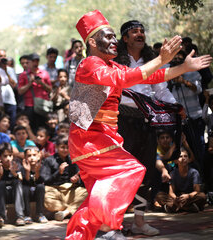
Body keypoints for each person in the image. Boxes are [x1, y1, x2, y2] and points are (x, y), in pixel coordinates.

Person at [66, 10, 211, 240]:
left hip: (101, 138)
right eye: (109, 36)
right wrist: (161, 59)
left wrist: (183, 67)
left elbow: (149, 77)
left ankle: (80, 236)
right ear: (92, 42)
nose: (114, 41)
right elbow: (124, 80)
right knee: (131, 169)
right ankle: (107, 229)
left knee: (96, 195)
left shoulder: (112, 66)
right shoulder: (90, 63)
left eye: (115, 36)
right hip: (90, 139)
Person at [114, 20, 180, 236]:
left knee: (145, 171)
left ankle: (139, 222)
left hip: (146, 121)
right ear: (125, 38)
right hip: (121, 121)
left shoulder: (154, 60)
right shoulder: (115, 61)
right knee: (122, 174)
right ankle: (116, 223)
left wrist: (175, 105)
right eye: (134, 32)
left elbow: (161, 91)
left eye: (142, 31)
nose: (140, 34)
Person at [40, 135, 87, 221]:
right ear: (56, 147)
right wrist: (59, 172)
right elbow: (45, 180)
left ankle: (65, 212)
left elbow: (78, 179)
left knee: (85, 193)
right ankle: (72, 209)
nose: (65, 150)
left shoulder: (73, 160)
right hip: (54, 189)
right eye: (62, 147)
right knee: (46, 198)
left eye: (67, 147)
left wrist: (76, 181)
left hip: (70, 190)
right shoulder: (49, 160)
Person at [155, 147, 206, 213]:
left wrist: (188, 196)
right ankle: (188, 207)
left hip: (189, 196)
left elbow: (197, 190)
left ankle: (176, 207)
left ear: (188, 159)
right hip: (178, 197)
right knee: (159, 195)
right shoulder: (173, 173)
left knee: (202, 196)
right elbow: (171, 192)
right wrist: (176, 199)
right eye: (180, 156)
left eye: (185, 156)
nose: (183, 158)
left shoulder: (194, 172)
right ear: (175, 161)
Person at [0, 142, 25, 227]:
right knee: (1, 183)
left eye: (10, 155)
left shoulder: (15, 164)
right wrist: (0, 175)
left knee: (17, 182)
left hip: (15, 193)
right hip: (2, 194)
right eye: (5, 156)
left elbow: (21, 178)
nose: (8, 158)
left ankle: (20, 216)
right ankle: (0, 216)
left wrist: (14, 173)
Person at [18, 53, 52, 131]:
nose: (35, 63)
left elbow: (50, 89)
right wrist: (30, 83)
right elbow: (20, 91)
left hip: (42, 105)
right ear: (28, 62)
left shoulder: (44, 73)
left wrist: (41, 83)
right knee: (32, 127)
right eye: (33, 61)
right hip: (29, 106)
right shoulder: (24, 75)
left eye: (37, 61)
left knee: (43, 128)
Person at [21, 146, 47, 223]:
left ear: (39, 155)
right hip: (27, 194)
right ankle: (27, 215)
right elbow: (25, 182)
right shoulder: (22, 168)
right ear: (25, 157)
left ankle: (40, 214)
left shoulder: (43, 166)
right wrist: (27, 171)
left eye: (34, 155)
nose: (32, 158)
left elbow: (41, 181)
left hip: (38, 194)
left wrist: (37, 171)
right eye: (29, 156)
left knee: (40, 186)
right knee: (25, 188)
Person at [0, 49, 18, 128]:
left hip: (10, 101)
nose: (3, 58)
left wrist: (5, 71)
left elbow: (14, 85)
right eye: (0, 56)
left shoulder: (10, 70)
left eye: (4, 56)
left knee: (11, 124)